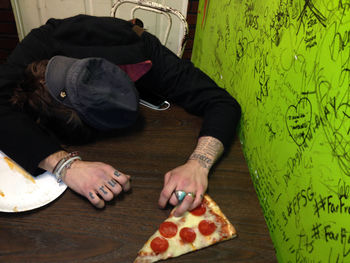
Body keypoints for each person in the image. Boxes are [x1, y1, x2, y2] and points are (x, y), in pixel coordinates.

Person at [0, 15, 241, 216]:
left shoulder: (152, 58)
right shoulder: (44, 41)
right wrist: (65, 165)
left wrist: (199, 163)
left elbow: (222, 104)